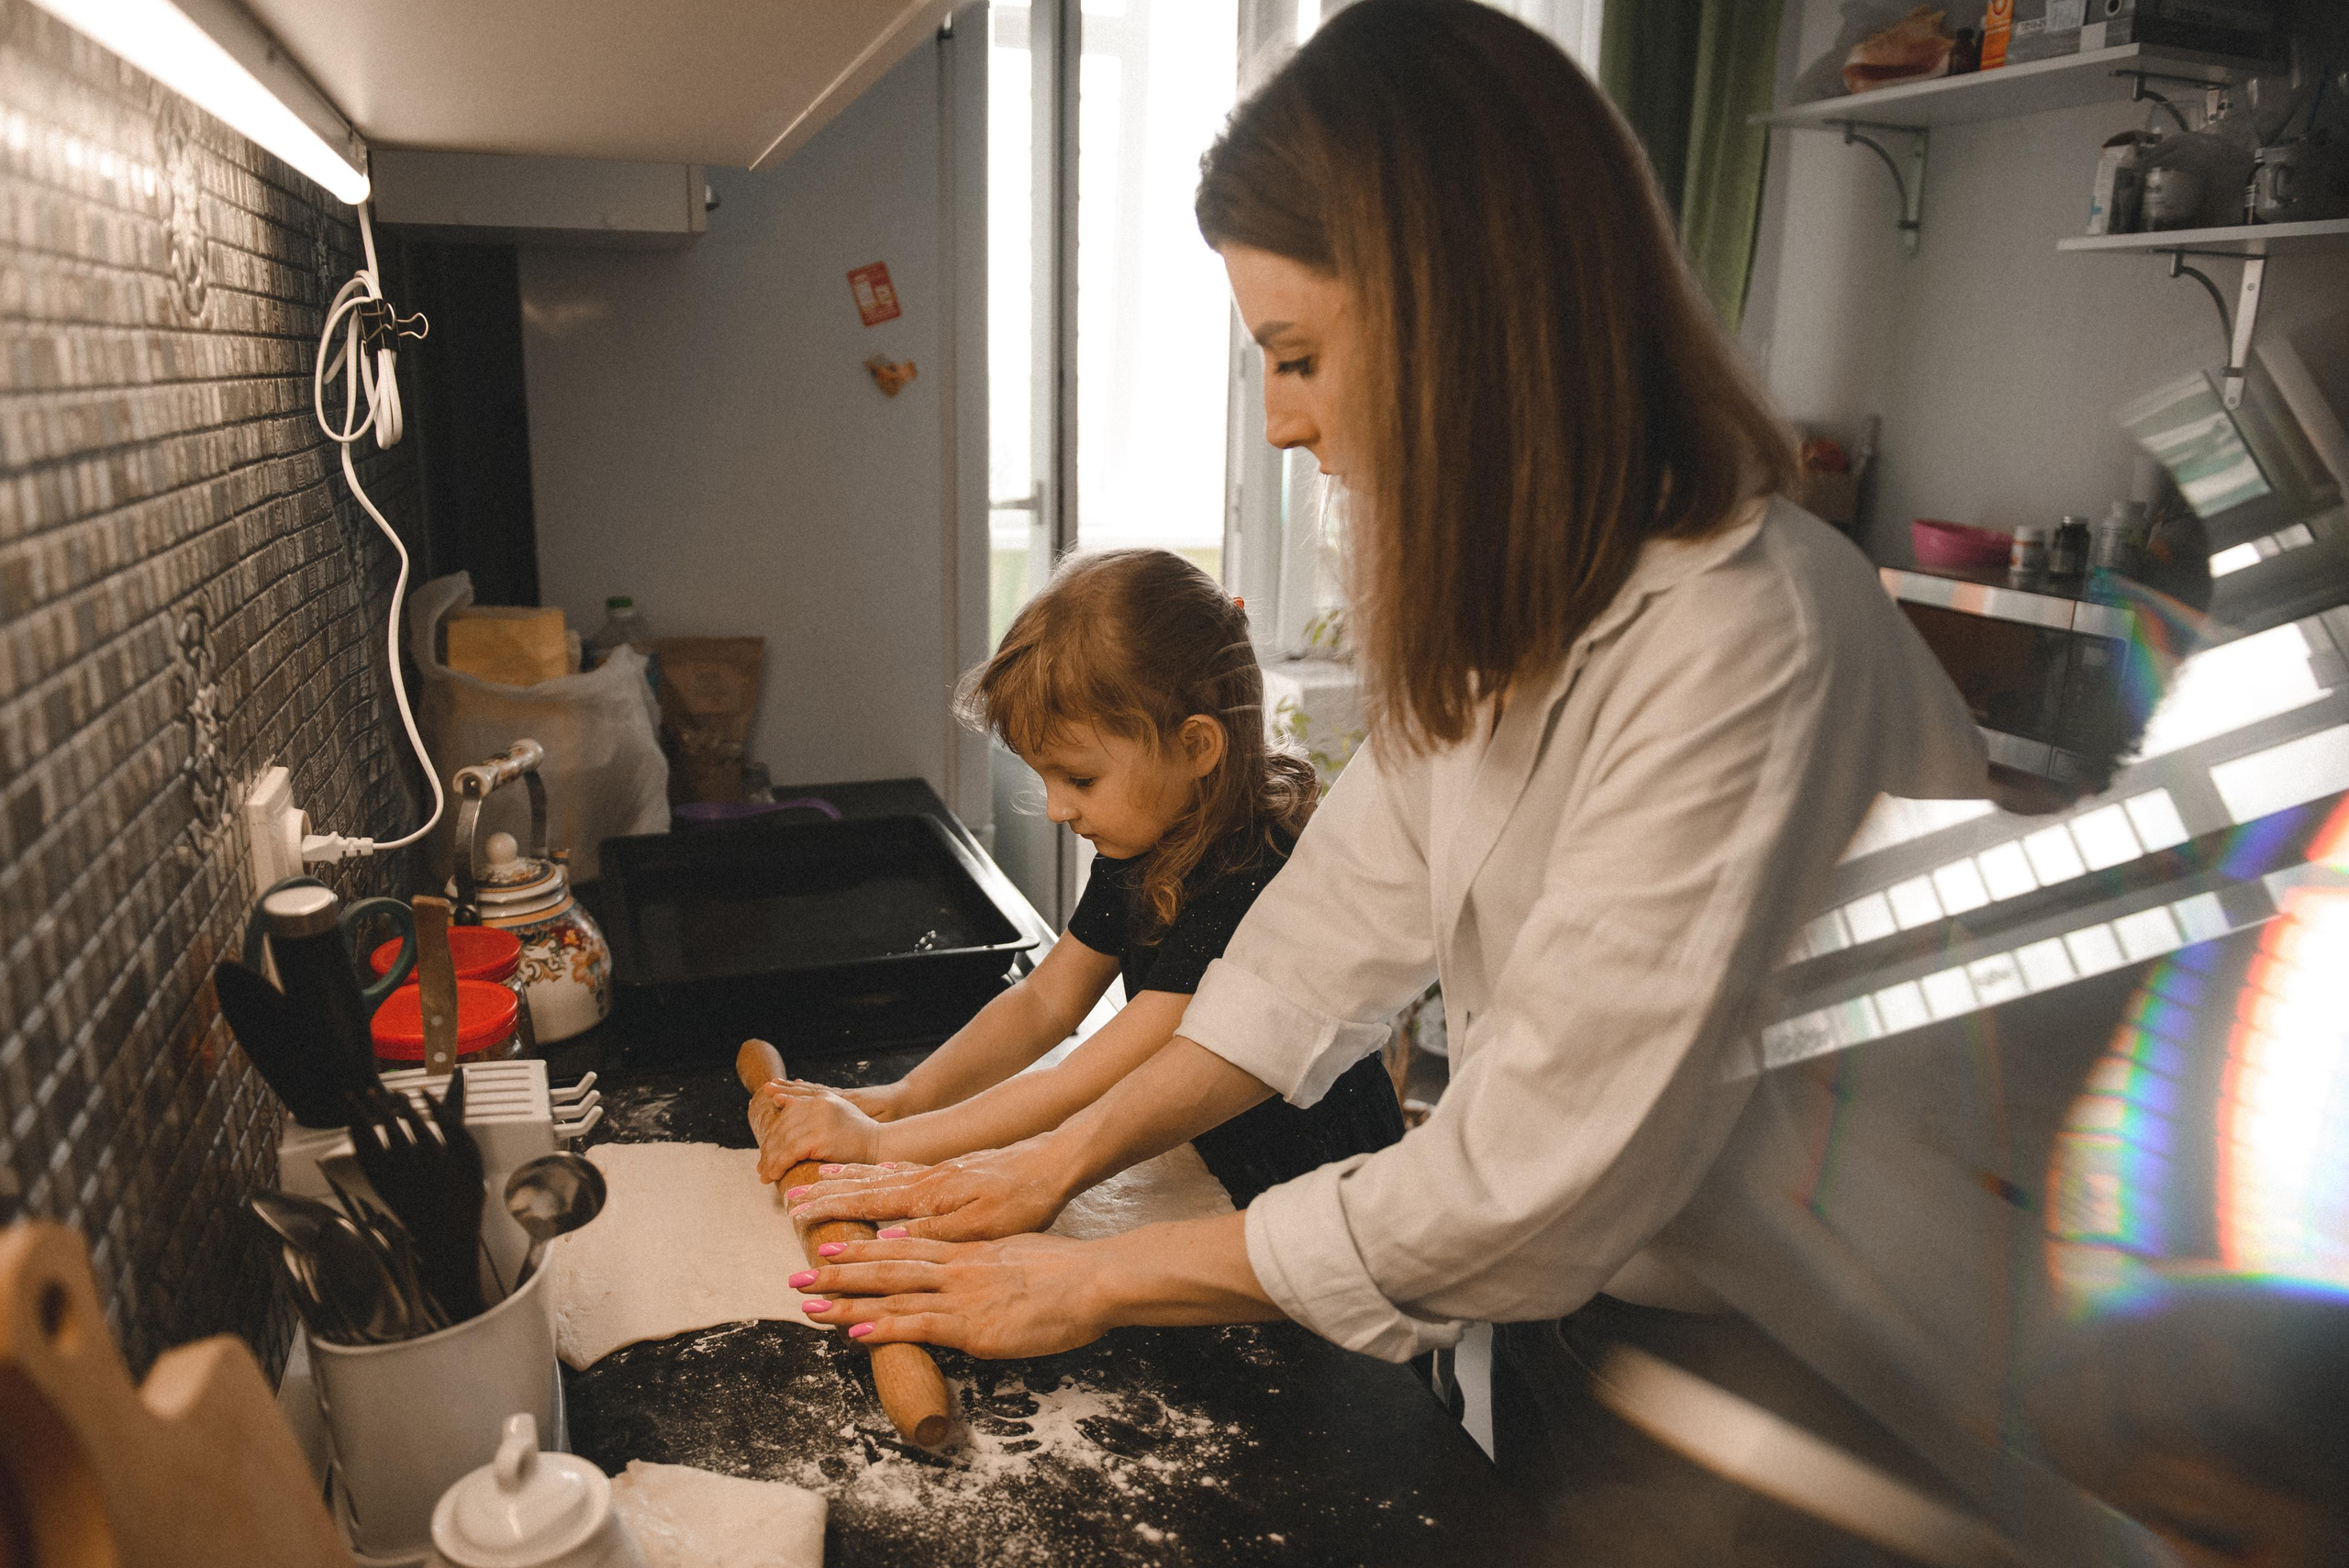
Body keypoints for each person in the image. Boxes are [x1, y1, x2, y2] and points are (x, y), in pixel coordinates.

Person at [785, 0, 1986, 1550]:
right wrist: (1042, 1169)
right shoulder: (1503, 630)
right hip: (1588, 1315)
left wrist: (1084, 1276)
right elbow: (1300, 966)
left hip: (1822, 1378)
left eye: (1298, 357)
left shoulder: (1752, 646)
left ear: (1470, 326)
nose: (1282, 421)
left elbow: (1527, 1179)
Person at [749, 547, 1403, 1208]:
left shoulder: (1252, 877)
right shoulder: (1146, 841)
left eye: (1080, 779)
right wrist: (904, 1098)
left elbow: (1083, 1083)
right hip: (1213, 1160)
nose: (1057, 809)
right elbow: (1045, 1003)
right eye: (1047, 778)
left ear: (1196, 745)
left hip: (1313, 1186)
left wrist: (882, 1145)